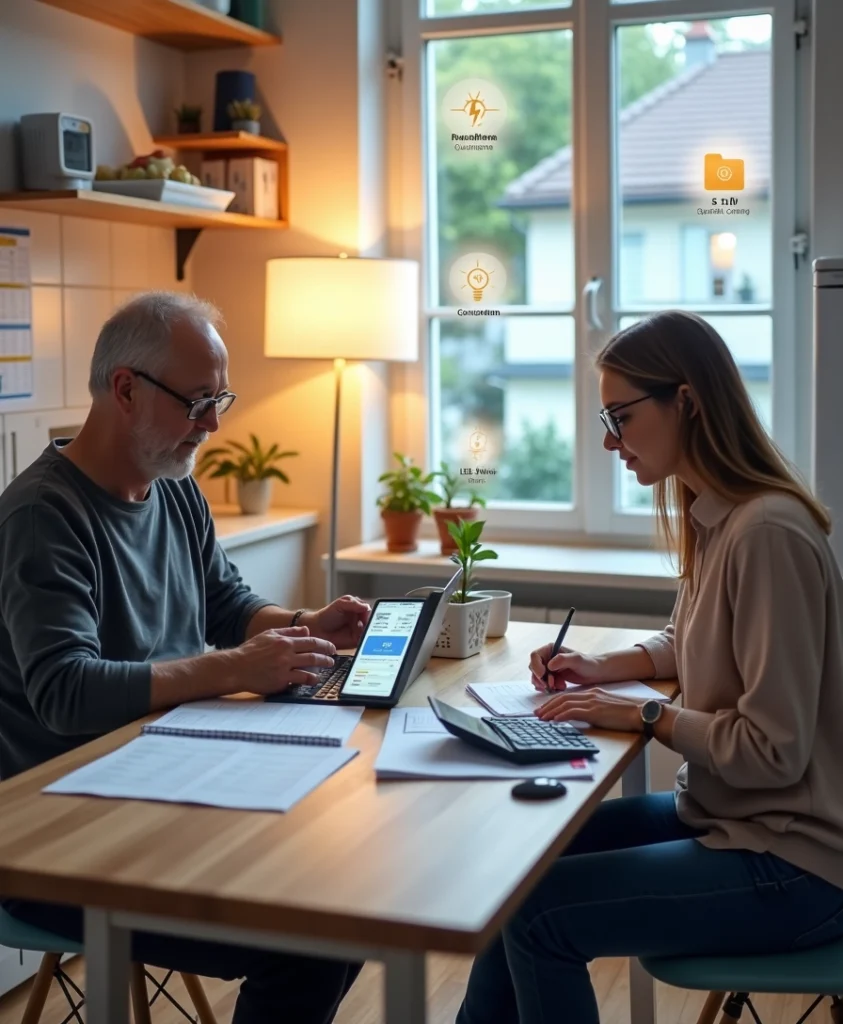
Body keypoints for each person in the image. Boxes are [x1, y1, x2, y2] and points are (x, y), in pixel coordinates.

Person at [457, 310, 843, 1024]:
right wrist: (598, 667)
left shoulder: (766, 533)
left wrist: (645, 715)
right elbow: (688, 638)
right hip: (730, 819)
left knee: (538, 916)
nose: (609, 440)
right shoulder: (718, 516)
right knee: (518, 869)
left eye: (620, 416)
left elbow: (773, 750)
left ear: (686, 400)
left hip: (798, 863)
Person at [0, 291, 371, 1024]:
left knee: (346, 888)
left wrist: (305, 626)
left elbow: (226, 605)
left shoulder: (175, 488)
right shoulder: (44, 515)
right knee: (314, 937)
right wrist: (233, 669)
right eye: (198, 403)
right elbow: (65, 693)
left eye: (219, 399)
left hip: (163, 784)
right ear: (126, 389)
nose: (215, 425)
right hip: (59, 835)